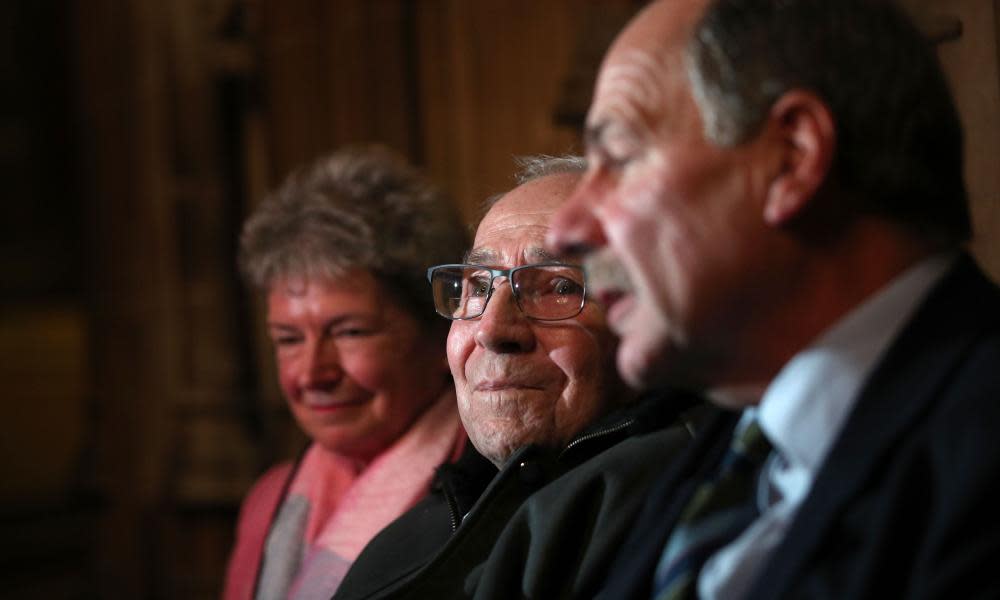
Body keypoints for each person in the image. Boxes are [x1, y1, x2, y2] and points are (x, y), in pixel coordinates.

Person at [547, 0, 1000, 598]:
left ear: (792, 158)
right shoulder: (724, 450)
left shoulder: (979, 445)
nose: (566, 229)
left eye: (621, 159)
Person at [333, 156, 704, 600]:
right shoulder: (406, 540)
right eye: (478, 286)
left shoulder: (688, 507)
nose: (492, 329)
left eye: (559, 286)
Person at [223, 146, 470, 599]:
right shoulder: (270, 501)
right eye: (288, 339)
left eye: (350, 332)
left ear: (442, 335)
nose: (312, 373)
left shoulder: (490, 495)